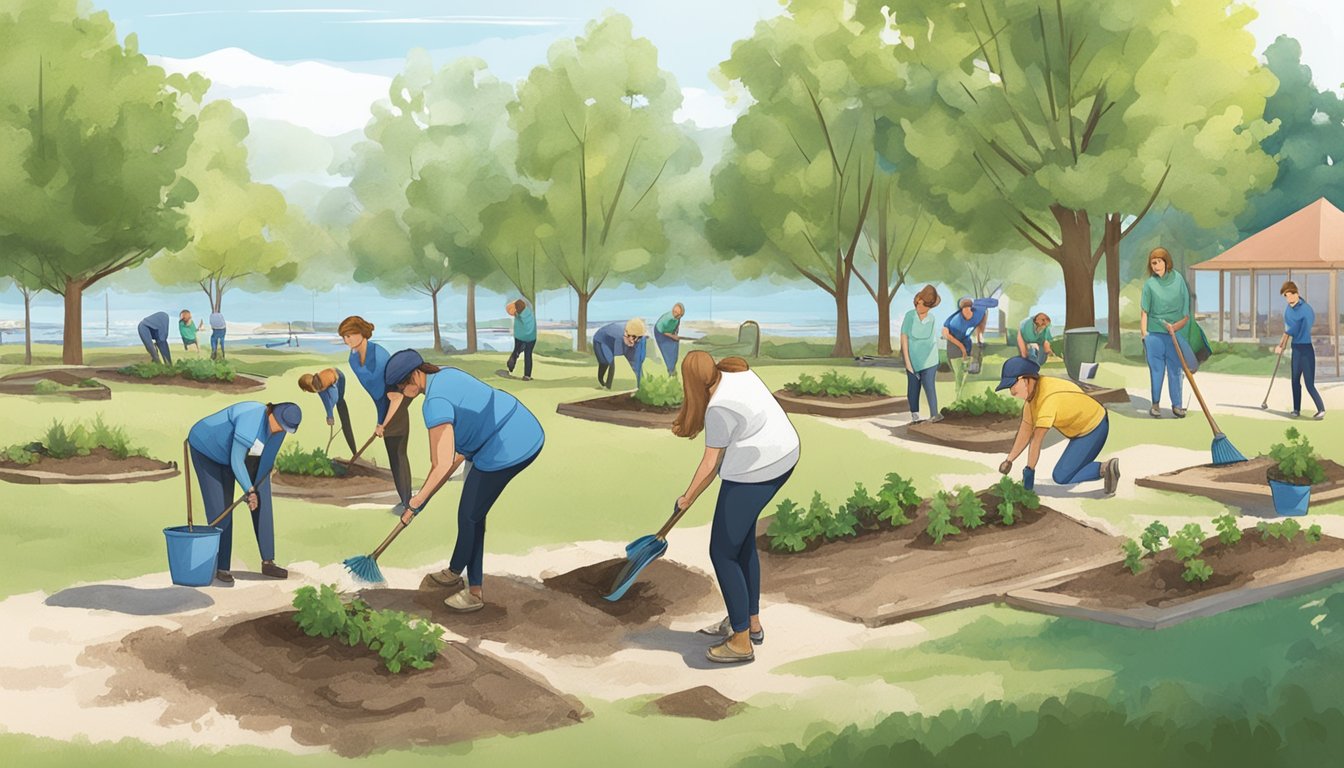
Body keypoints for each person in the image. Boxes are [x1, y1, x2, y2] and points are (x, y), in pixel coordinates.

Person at [384, 349, 545, 612]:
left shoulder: (434, 402)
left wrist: (414, 504)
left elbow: (442, 463)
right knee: (473, 513)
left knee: (470, 515)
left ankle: (474, 593)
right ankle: (456, 570)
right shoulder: (445, 374)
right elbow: (457, 452)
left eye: (401, 386)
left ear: (415, 375)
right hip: (512, 425)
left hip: (507, 444)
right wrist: (423, 497)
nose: (402, 392)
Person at [675, 351, 800, 664]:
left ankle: (741, 642)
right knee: (741, 543)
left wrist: (686, 497)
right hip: (783, 456)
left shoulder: (718, 409)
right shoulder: (736, 374)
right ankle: (749, 622)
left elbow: (710, 464)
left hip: (757, 470)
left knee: (722, 551)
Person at [186, 401, 301, 582]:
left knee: (263, 498)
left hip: (236, 455)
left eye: (284, 428)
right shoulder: (251, 418)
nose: (279, 430)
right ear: (271, 414)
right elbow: (236, 460)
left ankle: (268, 561)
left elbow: (264, 465)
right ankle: (222, 567)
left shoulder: (279, 430)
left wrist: (255, 492)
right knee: (222, 508)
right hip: (209, 450)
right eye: (278, 425)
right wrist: (249, 490)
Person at [996, 357, 1120, 496]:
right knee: (1065, 471)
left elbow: (1036, 440)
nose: (1011, 391)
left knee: (1061, 477)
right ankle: (1098, 468)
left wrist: (1029, 475)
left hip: (1094, 427)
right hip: (1080, 431)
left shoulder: (1048, 399)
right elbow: (1024, 432)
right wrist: (1009, 460)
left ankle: (1105, 469)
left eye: (1012, 385)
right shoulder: (1032, 400)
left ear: (1026, 379)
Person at [340, 316, 413, 508]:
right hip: (383, 407)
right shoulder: (353, 359)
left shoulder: (379, 355)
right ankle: (404, 499)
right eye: (344, 337)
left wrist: (385, 423)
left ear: (362, 333)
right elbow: (376, 395)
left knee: (398, 454)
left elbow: (394, 395)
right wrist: (380, 421)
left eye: (349, 335)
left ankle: (407, 502)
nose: (346, 340)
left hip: (396, 405)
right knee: (393, 455)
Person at [1140, 247, 1197, 419]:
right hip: (1154, 335)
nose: (1156, 266)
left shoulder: (1178, 280)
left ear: (1166, 262)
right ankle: (1155, 404)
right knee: (1156, 370)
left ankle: (1177, 406)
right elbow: (1144, 312)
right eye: (1153, 263)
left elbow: (1186, 313)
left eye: (1158, 262)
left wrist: (1176, 327)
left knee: (1175, 370)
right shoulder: (1150, 285)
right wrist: (1144, 334)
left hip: (1175, 334)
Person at [1277, 281, 1326, 420]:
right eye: (1285, 296)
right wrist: (1282, 345)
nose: (1288, 299)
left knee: (1309, 383)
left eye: (1289, 295)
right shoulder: (1288, 310)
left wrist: (1287, 336)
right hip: (1296, 349)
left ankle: (1321, 409)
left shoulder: (1307, 309)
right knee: (1294, 381)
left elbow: (1298, 329)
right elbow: (1287, 331)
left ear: (1296, 293)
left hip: (1306, 349)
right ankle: (1296, 410)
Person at [901, 285, 942, 423]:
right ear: (917, 300)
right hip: (913, 359)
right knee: (913, 387)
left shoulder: (931, 318)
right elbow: (904, 338)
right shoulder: (910, 316)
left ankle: (934, 415)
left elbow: (930, 342)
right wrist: (908, 363)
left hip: (930, 360)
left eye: (926, 306)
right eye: (921, 304)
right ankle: (915, 416)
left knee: (929, 386)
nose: (922, 307)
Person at [298, 368, 359, 456]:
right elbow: (325, 401)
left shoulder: (322, 383)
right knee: (333, 401)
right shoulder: (316, 386)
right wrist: (330, 416)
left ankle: (354, 451)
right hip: (329, 379)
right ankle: (354, 452)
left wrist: (330, 415)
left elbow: (334, 398)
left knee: (340, 402)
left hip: (339, 377)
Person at [942, 297, 991, 396]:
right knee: (959, 375)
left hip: (966, 344)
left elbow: (983, 315)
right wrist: (961, 348)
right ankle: (958, 397)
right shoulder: (955, 322)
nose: (967, 312)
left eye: (969, 309)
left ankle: (964, 397)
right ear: (961, 310)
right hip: (954, 345)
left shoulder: (978, 314)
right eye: (965, 309)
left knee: (966, 375)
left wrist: (980, 333)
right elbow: (945, 334)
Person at [592, 318, 648, 390]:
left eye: (637, 338)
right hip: (603, 340)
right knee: (605, 361)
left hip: (624, 338)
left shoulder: (641, 338)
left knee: (637, 364)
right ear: (626, 334)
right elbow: (616, 362)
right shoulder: (618, 337)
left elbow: (638, 363)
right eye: (632, 338)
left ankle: (641, 387)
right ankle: (605, 384)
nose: (633, 341)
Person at [505, 299, 537, 381]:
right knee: (528, 355)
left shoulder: (517, 314)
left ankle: (511, 364)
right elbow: (530, 326)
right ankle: (527, 375)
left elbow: (509, 309)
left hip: (520, 337)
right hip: (531, 337)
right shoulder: (529, 313)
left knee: (516, 351)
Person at [654, 303, 687, 376]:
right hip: (661, 334)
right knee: (668, 351)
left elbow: (676, 325)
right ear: (673, 311)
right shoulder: (667, 318)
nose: (679, 316)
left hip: (670, 332)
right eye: (677, 314)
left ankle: (672, 368)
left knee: (674, 348)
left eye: (680, 315)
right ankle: (671, 370)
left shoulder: (678, 317)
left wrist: (675, 333)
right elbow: (662, 330)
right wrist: (673, 336)